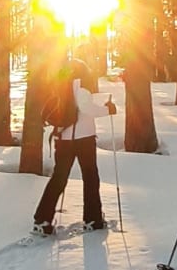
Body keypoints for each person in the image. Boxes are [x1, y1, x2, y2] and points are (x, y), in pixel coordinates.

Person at [32, 45, 117, 235]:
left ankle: (42, 219)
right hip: (84, 138)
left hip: (63, 137)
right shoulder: (82, 79)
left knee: (59, 178)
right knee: (90, 177)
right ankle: (93, 219)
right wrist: (107, 109)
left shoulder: (62, 81)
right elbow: (86, 107)